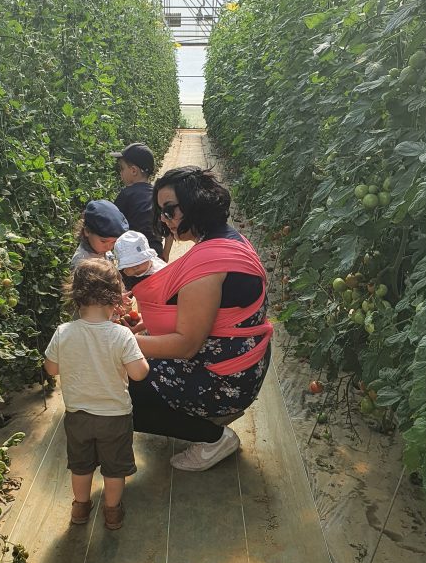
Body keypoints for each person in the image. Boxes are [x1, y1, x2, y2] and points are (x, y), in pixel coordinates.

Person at [129, 166, 273, 472]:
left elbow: (186, 346)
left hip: (225, 380)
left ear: (196, 203)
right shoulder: (229, 239)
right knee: (131, 367)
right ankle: (199, 420)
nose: (165, 220)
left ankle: (213, 436)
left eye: (169, 210)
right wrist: (146, 330)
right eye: (161, 213)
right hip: (243, 365)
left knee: (119, 396)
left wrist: (122, 341)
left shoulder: (208, 263)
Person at [44, 259, 149, 529]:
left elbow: (51, 368)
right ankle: (112, 512)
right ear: (116, 298)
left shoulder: (63, 332)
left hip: (77, 416)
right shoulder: (121, 336)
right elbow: (139, 373)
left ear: (75, 296)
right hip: (114, 417)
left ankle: (80, 508)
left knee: (81, 466)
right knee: (114, 470)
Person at [111, 142, 169, 258]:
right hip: (155, 253)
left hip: (132, 257)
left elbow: (112, 226)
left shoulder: (126, 195)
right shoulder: (158, 195)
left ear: (133, 171)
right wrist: (165, 254)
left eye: (122, 169)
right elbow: (170, 228)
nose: (120, 173)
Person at [69, 199, 128, 271]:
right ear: (87, 231)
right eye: (103, 241)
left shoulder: (99, 249)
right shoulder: (82, 264)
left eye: (114, 242)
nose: (109, 247)